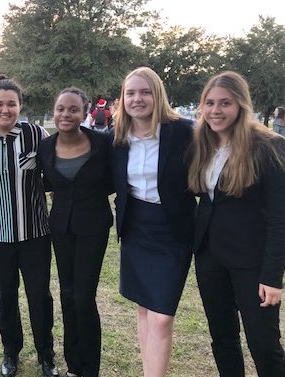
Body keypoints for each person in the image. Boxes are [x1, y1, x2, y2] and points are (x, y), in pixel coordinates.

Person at [188, 71, 285, 376]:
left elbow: (280, 216)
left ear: (241, 104)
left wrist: (272, 276)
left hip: (252, 263)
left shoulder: (269, 146)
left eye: (225, 103)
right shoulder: (203, 143)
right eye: (210, 103)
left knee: (263, 345)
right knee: (223, 338)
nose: (216, 110)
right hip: (209, 257)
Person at [110, 67, 196, 377]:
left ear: (157, 95)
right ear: (123, 99)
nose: (137, 99)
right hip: (136, 227)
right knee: (145, 309)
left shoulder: (184, 132)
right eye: (130, 93)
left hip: (172, 230)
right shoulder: (118, 138)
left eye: (145, 92)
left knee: (162, 317)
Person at [0, 76, 58, 377]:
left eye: (11, 104)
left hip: (34, 233)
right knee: (5, 296)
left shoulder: (37, 134)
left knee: (39, 296)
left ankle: (46, 353)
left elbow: (54, 173)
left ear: (20, 106)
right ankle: (11, 351)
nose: (5, 110)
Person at [38, 88, 113, 377]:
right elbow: (47, 181)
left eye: (72, 110)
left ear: (85, 113)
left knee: (84, 296)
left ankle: (89, 368)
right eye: (60, 109)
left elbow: (111, 180)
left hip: (92, 227)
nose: (65, 115)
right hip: (61, 227)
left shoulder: (103, 143)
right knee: (67, 295)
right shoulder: (46, 147)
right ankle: (73, 366)